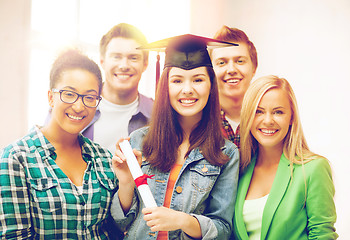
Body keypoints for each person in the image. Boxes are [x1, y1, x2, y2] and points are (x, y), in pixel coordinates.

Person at [110, 34, 240, 239]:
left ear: (210, 86)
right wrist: (126, 182)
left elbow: (223, 230)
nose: (187, 90)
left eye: (198, 79)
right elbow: (121, 223)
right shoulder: (139, 141)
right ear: (165, 86)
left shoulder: (226, 153)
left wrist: (182, 220)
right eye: (177, 80)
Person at [0, 49, 118, 239]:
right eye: (69, 94)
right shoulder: (17, 157)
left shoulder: (104, 158)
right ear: (50, 97)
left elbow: (115, 229)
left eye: (89, 97)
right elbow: (14, 235)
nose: (79, 107)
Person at [232, 75, 338, 239]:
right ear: (248, 116)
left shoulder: (313, 169)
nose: (268, 120)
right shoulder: (239, 170)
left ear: (291, 117)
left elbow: (322, 235)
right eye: (258, 112)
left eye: (278, 112)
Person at [86, 22, 153, 153]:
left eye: (133, 58)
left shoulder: (158, 114)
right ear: (102, 61)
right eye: (116, 57)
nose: (124, 65)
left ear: (145, 64)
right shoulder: (76, 108)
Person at [210, 26, 258, 149]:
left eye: (240, 61)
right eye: (222, 62)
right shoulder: (198, 121)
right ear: (209, 71)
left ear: (254, 68)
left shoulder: (267, 120)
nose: (231, 70)